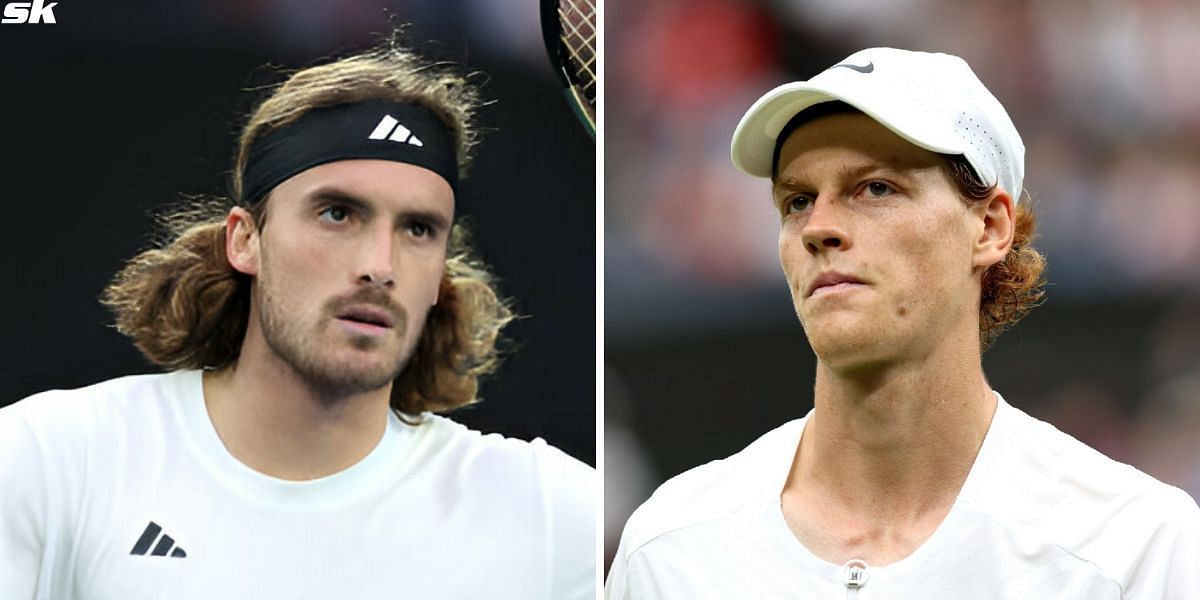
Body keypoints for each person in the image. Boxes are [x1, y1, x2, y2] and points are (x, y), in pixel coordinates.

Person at [0, 40, 594, 599]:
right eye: (337, 214)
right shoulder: (50, 460)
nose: (379, 267)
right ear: (246, 240)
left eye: (418, 229)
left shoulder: (549, 512)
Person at [606, 47, 1200, 598]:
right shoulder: (669, 545)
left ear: (990, 227)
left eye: (875, 188)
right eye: (797, 200)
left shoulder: (1138, 549)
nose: (818, 228)